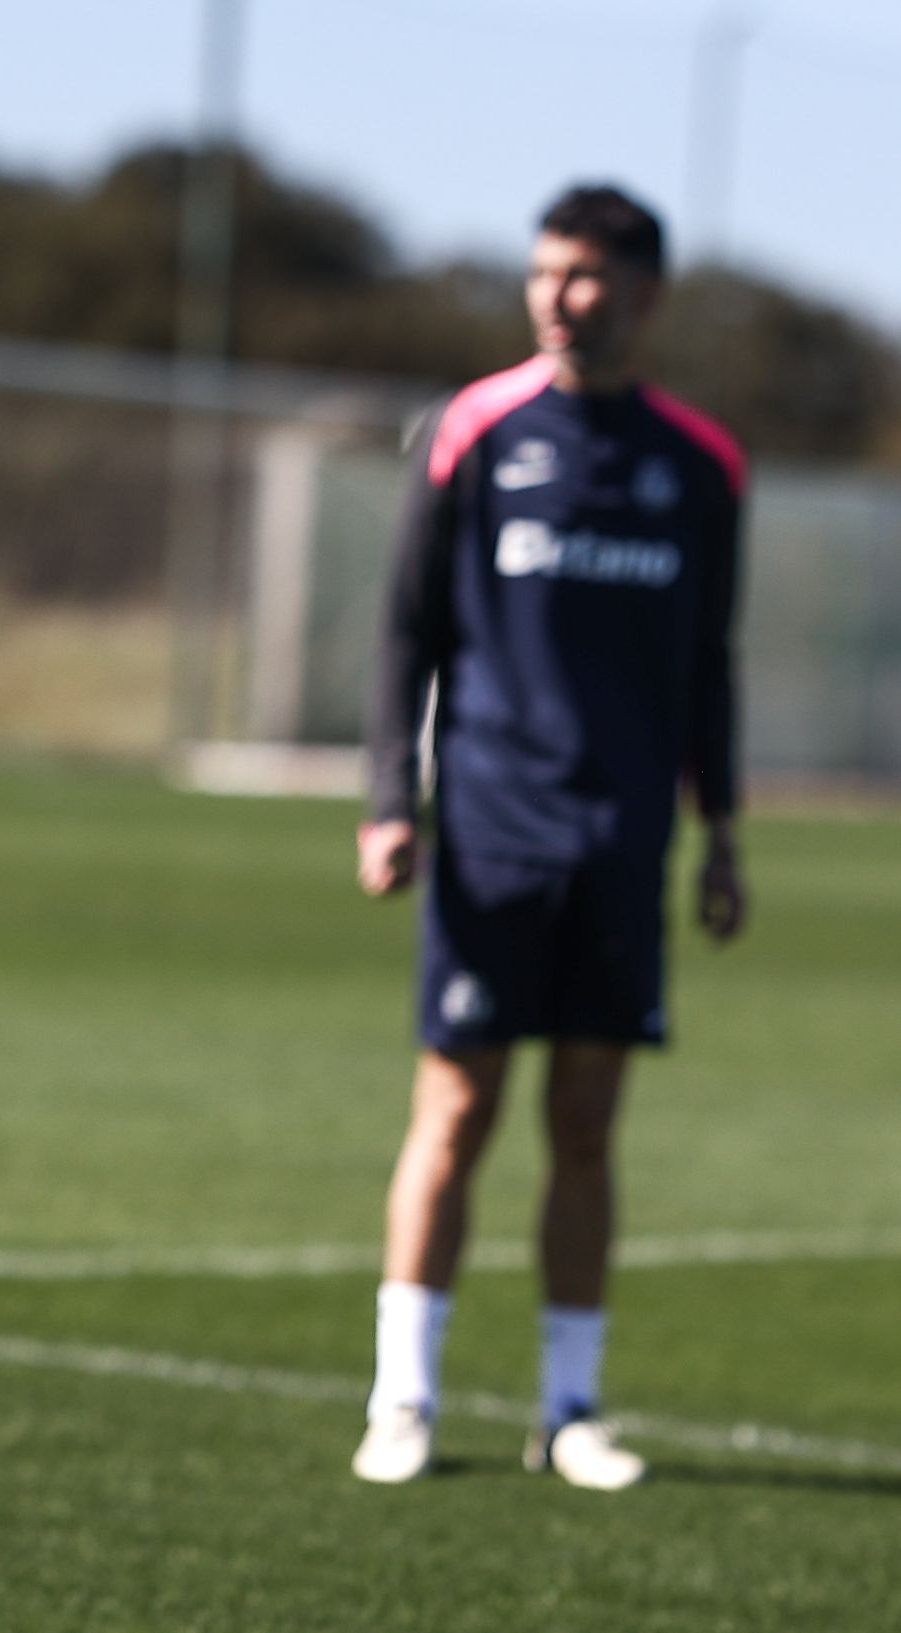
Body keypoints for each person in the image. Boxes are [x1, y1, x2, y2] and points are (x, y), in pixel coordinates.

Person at [350, 183, 745, 1490]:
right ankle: (400, 1395)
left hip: (623, 842)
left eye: (583, 274)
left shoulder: (701, 464)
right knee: (455, 1105)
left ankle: (567, 1408)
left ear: (642, 293)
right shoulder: (471, 428)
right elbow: (405, 628)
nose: (558, 295)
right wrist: (387, 804)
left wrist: (722, 831)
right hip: (488, 826)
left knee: (586, 1122)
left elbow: (708, 665)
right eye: (543, 272)